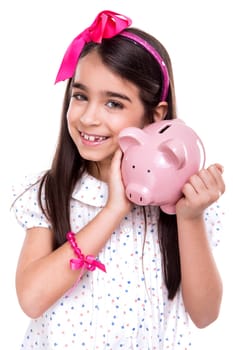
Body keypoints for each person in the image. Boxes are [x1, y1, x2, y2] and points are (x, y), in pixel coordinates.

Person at [11, 9, 225, 350]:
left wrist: (190, 216)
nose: (89, 117)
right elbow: (32, 299)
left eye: (113, 103)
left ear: (155, 115)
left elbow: (205, 315)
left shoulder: (183, 203)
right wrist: (113, 210)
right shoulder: (49, 192)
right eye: (79, 96)